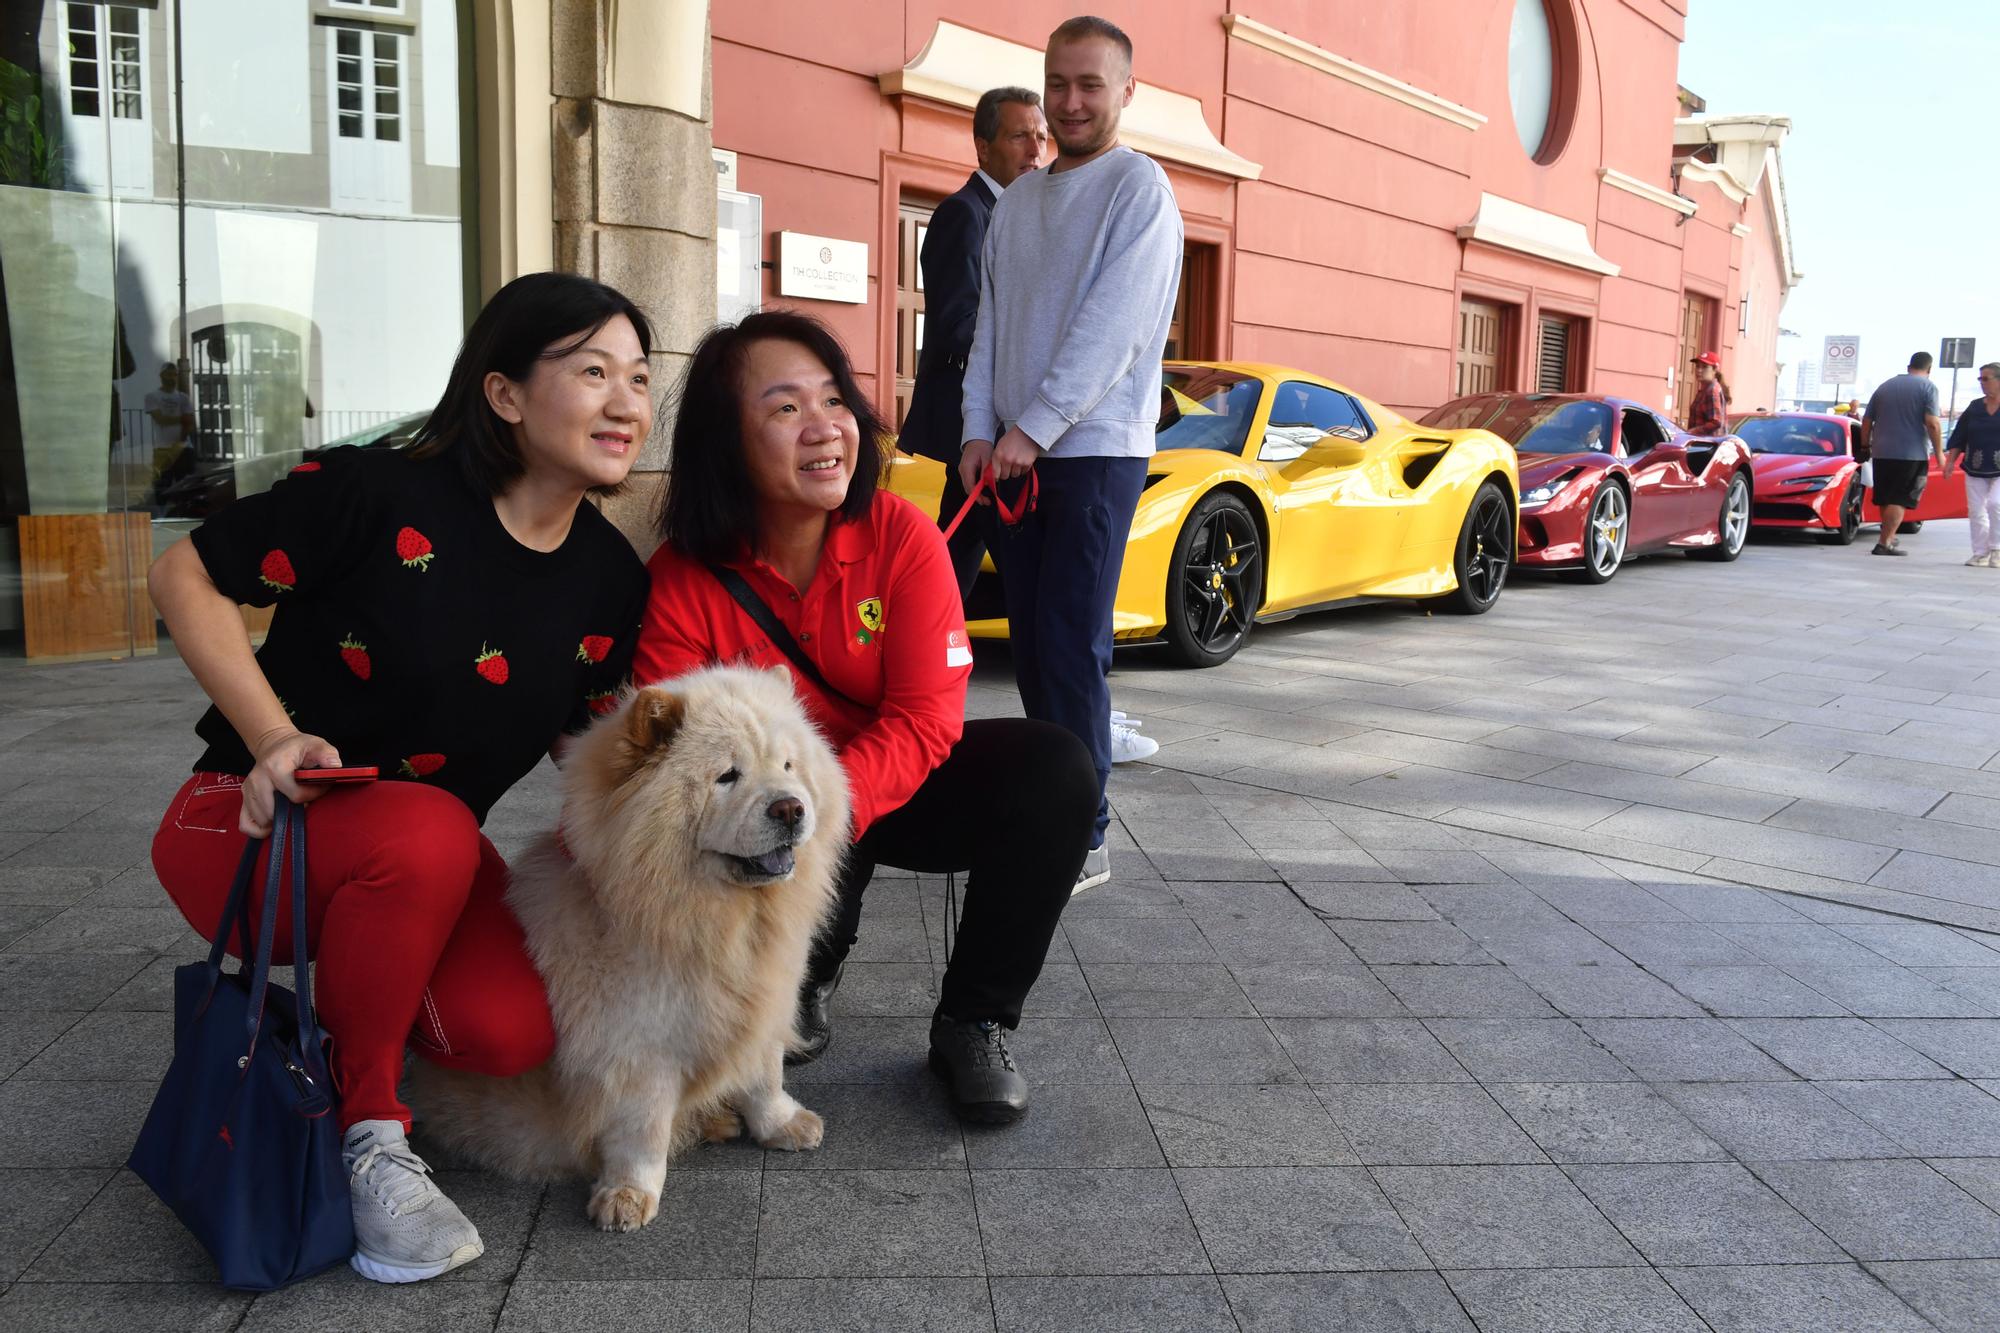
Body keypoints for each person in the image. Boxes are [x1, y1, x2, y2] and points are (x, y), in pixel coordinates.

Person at [146, 272, 655, 1284]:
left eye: (640, 379)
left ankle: (356, 1023)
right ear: (504, 394)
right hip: (247, 837)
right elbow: (184, 573)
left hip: (419, 866)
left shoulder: (609, 577)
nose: (625, 402)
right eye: (591, 370)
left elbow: (581, 748)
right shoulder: (378, 493)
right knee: (429, 830)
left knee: (504, 1031)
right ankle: (366, 1133)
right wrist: (271, 735)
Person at [634, 312, 1096, 1124]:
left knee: (1055, 769)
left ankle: (975, 1019)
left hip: (878, 788)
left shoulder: (902, 536)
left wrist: (823, 807)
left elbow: (924, 720)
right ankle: (797, 977)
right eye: (784, 408)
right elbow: (670, 761)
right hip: (760, 813)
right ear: (724, 440)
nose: (825, 427)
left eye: (834, 400)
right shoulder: (681, 577)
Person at [958, 15, 1183, 889]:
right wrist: (981, 431)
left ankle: (1083, 833)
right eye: (1059, 84)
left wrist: (1034, 427)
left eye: (1091, 85)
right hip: (1015, 453)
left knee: (1068, 643)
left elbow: (1116, 330)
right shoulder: (1018, 200)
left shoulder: (1139, 190)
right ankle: (1052, 808)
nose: (1071, 101)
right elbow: (989, 330)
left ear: (1127, 90)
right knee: (1030, 642)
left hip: (1092, 452)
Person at [902, 85, 1047, 599]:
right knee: (1021, 572)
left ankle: (928, 647)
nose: (1036, 151)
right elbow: (957, 322)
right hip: (974, 424)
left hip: (991, 429)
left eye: (1040, 137)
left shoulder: (1021, 216)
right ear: (983, 147)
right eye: (1020, 137)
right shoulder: (965, 215)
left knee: (956, 555)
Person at [1861, 351, 1945, 556]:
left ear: (1909, 367)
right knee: (1900, 498)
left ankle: (1888, 536)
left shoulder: (1885, 386)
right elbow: (1933, 423)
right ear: (1929, 369)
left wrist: (1865, 446)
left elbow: (1867, 420)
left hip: (1881, 452)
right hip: (1911, 453)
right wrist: (1940, 453)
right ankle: (1885, 542)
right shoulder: (1928, 387)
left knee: (1886, 497)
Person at [1944, 361, 2000, 567]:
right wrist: (1950, 461)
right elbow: (1960, 435)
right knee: (1976, 509)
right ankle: (1980, 552)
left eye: (1986, 379)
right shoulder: (1975, 407)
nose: (1982, 383)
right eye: (1980, 379)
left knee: (1996, 503)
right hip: (1975, 464)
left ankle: (1997, 549)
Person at [145, 361, 198, 492]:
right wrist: (182, 419)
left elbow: (189, 423)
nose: (172, 377)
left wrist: (180, 442)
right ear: (161, 376)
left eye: (174, 374)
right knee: (162, 487)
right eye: (169, 374)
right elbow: (160, 419)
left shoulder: (183, 398)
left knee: (186, 488)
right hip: (163, 449)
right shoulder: (152, 397)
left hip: (183, 448)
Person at [1685, 351, 1730, 438]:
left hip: (1709, 447)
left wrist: (1692, 432)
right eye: (1697, 366)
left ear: (1715, 370)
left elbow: (1716, 422)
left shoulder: (1712, 390)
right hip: (1700, 444)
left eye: (1704, 367)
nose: (1699, 370)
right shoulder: (1704, 391)